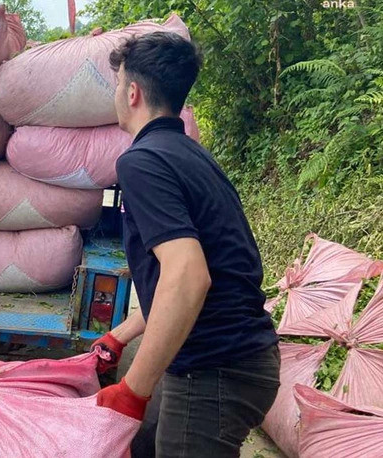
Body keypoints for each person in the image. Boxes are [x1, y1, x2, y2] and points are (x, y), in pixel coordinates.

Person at [91, 32, 280, 457]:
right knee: (143, 444)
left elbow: (189, 274)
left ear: (133, 92)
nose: (117, 94)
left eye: (118, 84)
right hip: (239, 356)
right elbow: (188, 273)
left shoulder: (140, 162)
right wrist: (122, 334)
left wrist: (132, 391)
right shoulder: (191, 154)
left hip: (214, 368)